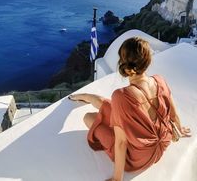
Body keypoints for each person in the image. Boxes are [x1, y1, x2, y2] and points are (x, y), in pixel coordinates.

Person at [68, 37, 191, 181]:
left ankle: (87, 98)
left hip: (137, 158)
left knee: (88, 118)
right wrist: (179, 129)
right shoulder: (159, 80)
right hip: (162, 143)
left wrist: (117, 178)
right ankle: (87, 96)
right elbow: (173, 114)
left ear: (123, 63)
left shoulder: (122, 95)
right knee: (108, 105)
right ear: (148, 61)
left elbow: (121, 142)